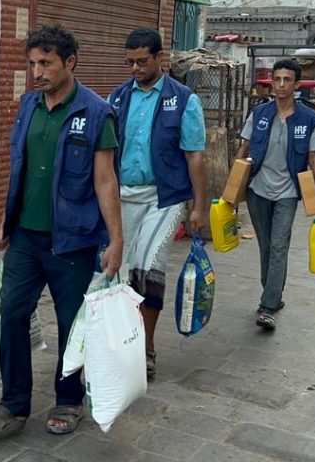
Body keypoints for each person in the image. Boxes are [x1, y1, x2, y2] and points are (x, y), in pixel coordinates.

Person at [0, 24, 123, 439]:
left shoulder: (96, 113)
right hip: (25, 238)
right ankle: (13, 404)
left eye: (45, 63)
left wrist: (116, 239)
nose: (36, 72)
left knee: (71, 323)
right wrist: (6, 219)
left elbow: (106, 180)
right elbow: (18, 167)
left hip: (72, 241)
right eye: (32, 63)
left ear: (69, 63)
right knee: (13, 314)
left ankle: (69, 399)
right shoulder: (28, 106)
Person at [108, 28, 207, 377]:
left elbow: (194, 156)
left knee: (149, 270)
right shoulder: (117, 99)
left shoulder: (183, 100)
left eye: (141, 61)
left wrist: (199, 206)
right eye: (129, 62)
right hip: (122, 198)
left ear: (159, 58)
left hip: (164, 199)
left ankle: (147, 348)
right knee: (121, 273)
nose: (134, 68)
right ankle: (124, 341)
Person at [237, 59, 315, 331]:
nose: (281, 85)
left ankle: (267, 306)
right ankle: (273, 295)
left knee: (278, 246)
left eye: (287, 80)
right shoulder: (259, 114)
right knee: (266, 246)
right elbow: (243, 151)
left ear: (297, 85)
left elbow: (314, 160)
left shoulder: (309, 120)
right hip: (257, 191)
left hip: (288, 193)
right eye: (277, 80)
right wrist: (231, 191)